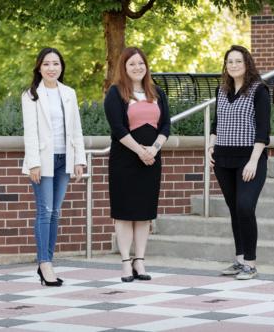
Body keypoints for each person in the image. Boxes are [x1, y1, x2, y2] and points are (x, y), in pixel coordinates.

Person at [104, 47, 170, 282]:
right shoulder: (115, 93)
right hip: (125, 161)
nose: (137, 67)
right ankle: (124, 262)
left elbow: (166, 126)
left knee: (144, 214)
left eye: (140, 63)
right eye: (131, 64)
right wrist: (140, 151)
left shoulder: (157, 92)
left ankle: (139, 261)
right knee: (124, 213)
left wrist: (153, 149)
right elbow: (118, 129)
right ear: (124, 67)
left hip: (152, 160)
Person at [22, 47, 86, 286]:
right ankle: (44, 263)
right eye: (47, 64)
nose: (51, 68)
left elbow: (76, 128)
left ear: (62, 67)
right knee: (45, 211)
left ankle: (48, 261)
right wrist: (34, 164)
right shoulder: (31, 95)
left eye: (56, 63)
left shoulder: (68, 93)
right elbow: (30, 132)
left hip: (64, 160)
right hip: (43, 161)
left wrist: (80, 159)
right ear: (39, 67)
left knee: (56, 212)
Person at [208, 45, 270, 280]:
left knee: (245, 206)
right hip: (223, 159)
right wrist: (211, 145)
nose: (233, 65)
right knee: (235, 210)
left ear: (247, 64)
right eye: (229, 61)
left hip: (249, 158)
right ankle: (239, 259)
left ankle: (250, 264)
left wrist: (253, 161)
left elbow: (263, 130)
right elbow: (217, 122)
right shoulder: (221, 90)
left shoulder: (259, 90)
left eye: (238, 61)